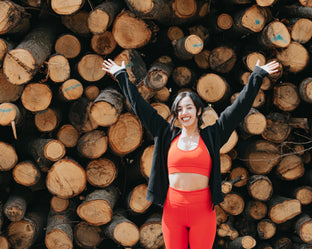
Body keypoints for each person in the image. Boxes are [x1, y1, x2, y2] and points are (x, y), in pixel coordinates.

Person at [102, 58, 279, 249]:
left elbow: (238, 109)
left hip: (202, 213)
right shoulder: (165, 134)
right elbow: (139, 105)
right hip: (173, 212)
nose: (184, 112)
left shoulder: (213, 135)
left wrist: (257, 75)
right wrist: (121, 75)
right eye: (179, 109)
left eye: (189, 107)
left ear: (198, 110)